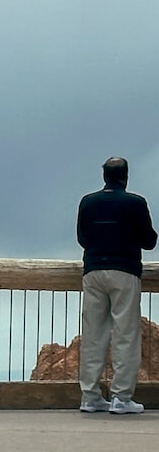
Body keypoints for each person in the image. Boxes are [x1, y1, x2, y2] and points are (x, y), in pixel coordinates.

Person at [77, 157, 157, 414]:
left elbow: (82, 238)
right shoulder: (135, 203)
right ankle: (121, 397)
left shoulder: (88, 202)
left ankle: (90, 396)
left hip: (93, 271)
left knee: (93, 334)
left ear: (104, 176)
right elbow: (149, 240)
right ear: (126, 176)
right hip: (124, 271)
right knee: (126, 333)